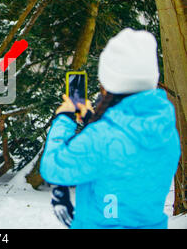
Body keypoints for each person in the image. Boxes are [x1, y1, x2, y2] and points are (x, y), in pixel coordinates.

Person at [40, 28, 181, 229]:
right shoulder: (165, 131)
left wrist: (64, 118)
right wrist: (93, 122)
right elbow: (121, 163)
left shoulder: (103, 138)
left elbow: (54, 167)